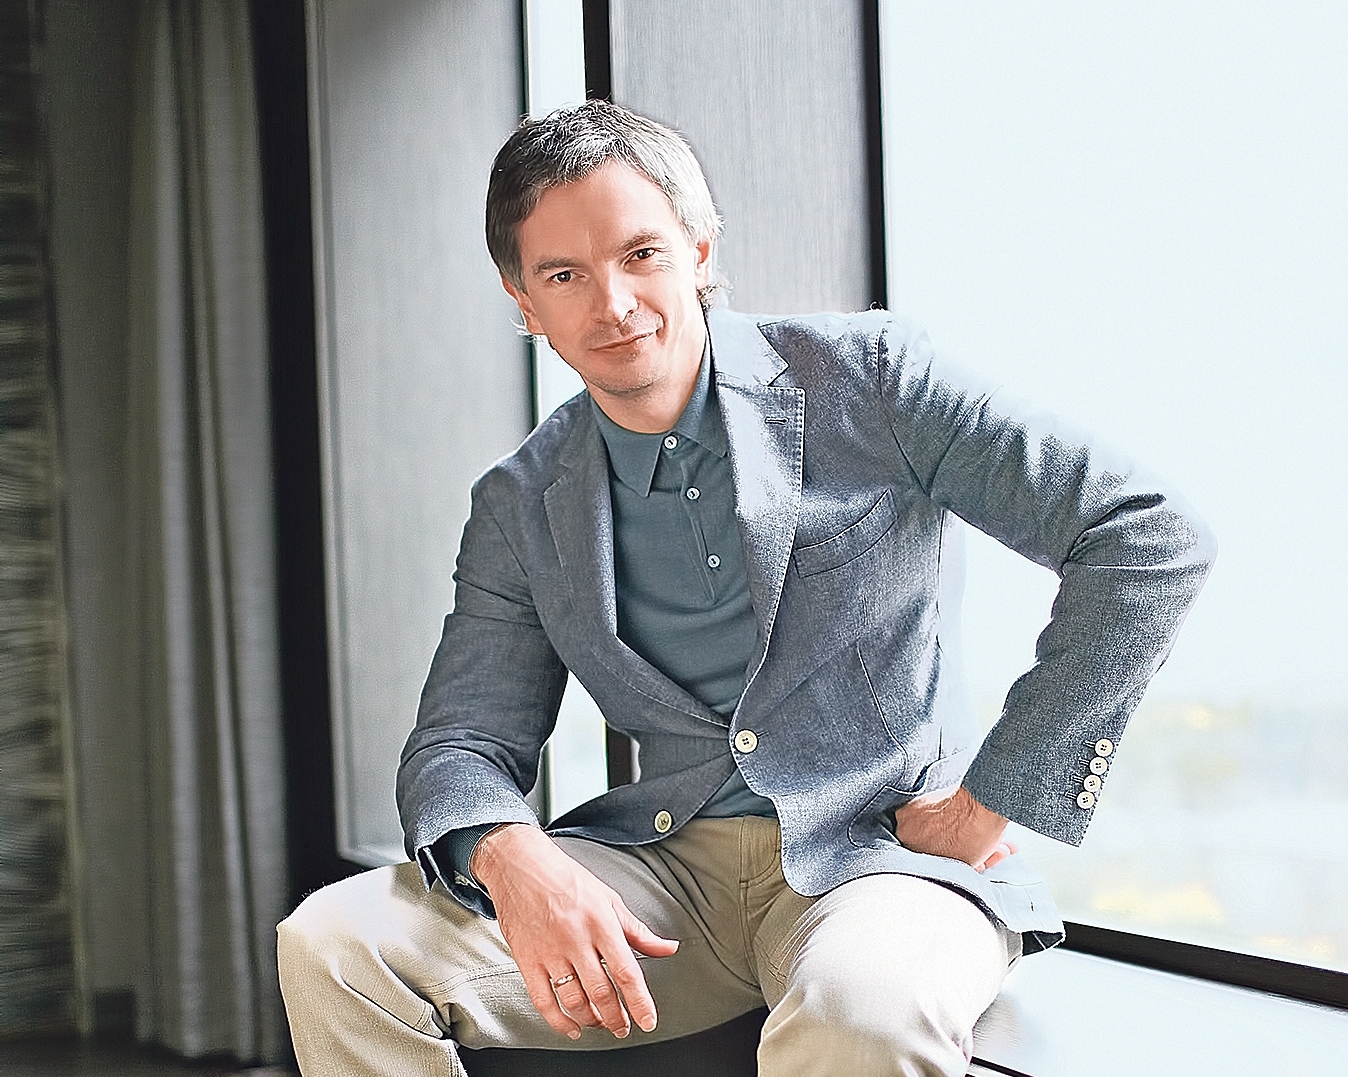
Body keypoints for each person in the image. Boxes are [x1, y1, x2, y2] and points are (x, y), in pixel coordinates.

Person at [277, 101, 1214, 1076]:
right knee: (333, 946)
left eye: (641, 254)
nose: (613, 304)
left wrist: (987, 802)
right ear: (523, 302)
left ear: (699, 250)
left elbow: (1146, 535)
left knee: (861, 1014)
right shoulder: (520, 502)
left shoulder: (872, 381)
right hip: (664, 880)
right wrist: (509, 856)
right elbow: (459, 742)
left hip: (881, 862)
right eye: (564, 275)